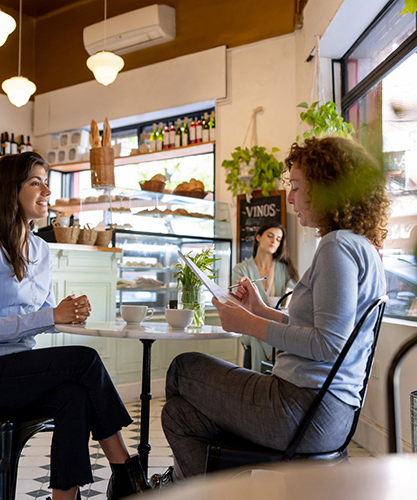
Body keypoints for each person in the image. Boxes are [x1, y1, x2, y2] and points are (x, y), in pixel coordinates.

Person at [157, 136, 390, 482]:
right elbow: (320, 328)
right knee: (178, 414)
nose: (291, 198)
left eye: (297, 186)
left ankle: (204, 486)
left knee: (182, 368)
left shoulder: (337, 246)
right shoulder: (361, 247)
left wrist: (249, 324)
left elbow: (329, 344)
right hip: (324, 414)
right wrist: (262, 310)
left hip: (303, 411)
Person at [0, 152, 149, 500]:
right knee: (84, 360)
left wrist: (67, 316)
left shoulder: (40, 248)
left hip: (17, 372)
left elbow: (41, 316)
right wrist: (52, 316)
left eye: (46, 182)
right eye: (35, 182)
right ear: (10, 190)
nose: (46, 192)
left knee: (74, 397)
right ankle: (125, 474)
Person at [232, 221, 298, 370]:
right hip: (250, 324)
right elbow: (240, 301)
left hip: (278, 324)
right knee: (256, 332)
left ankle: (256, 385)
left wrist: (288, 299)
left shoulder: (286, 269)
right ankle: (274, 356)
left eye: (278, 239)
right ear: (258, 237)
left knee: (258, 336)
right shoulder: (241, 269)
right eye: (270, 236)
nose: (274, 241)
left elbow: (293, 291)